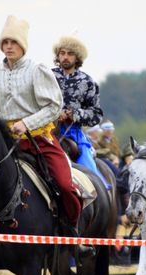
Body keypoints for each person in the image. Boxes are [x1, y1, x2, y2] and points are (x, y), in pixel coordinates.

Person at [0, 15, 81, 236]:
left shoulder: (37, 70)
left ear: (22, 45)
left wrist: (26, 123)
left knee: (65, 185)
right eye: (5, 43)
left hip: (38, 139)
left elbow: (54, 106)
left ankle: (71, 229)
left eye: (13, 42)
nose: (8, 47)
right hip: (5, 144)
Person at [51, 34, 110, 189]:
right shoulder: (47, 76)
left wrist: (74, 114)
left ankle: (97, 193)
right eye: (62, 53)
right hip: (46, 130)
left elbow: (96, 114)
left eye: (70, 54)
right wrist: (55, 114)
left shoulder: (88, 82)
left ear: (77, 57)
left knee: (90, 173)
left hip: (73, 134)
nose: (65, 57)